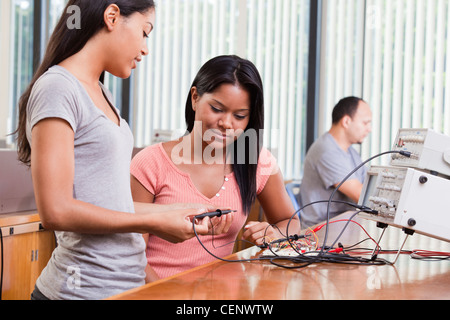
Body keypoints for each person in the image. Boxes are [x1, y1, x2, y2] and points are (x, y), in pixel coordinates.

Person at [14, 0, 220, 300]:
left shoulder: (102, 93)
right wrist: (154, 222)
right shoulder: (58, 88)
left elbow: (108, 202)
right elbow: (56, 210)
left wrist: (176, 211)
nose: (146, 48)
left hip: (125, 287)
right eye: (145, 32)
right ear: (112, 16)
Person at [130, 55, 300, 280]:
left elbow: (291, 222)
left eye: (240, 116)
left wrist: (275, 233)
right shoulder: (151, 162)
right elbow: (132, 255)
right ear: (195, 98)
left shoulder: (255, 160)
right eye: (217, 109)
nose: (227, 124)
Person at [298, 96, 372, 229]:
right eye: (365, 123)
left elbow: (369, 187)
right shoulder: (326, 150)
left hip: (343, 227)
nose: (369, 129)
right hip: (321, 232)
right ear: (346, 121)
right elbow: (361, 196)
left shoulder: (351, 153)